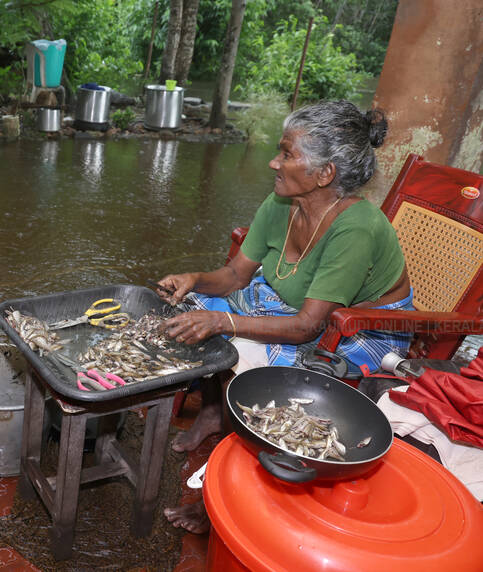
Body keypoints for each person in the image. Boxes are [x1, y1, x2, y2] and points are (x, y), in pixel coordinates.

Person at [156, 100, 414, 533]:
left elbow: (308, 327)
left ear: (324, 174)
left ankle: (220, 490)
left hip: (356, 329)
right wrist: (194, 279)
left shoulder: (357, 228)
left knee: (258, 368)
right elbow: (236, 275)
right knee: (182, 312)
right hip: (293, 305)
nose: (274, 162)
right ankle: (217, 411)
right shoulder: (282, 201)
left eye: (287, 154)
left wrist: (225, 323)